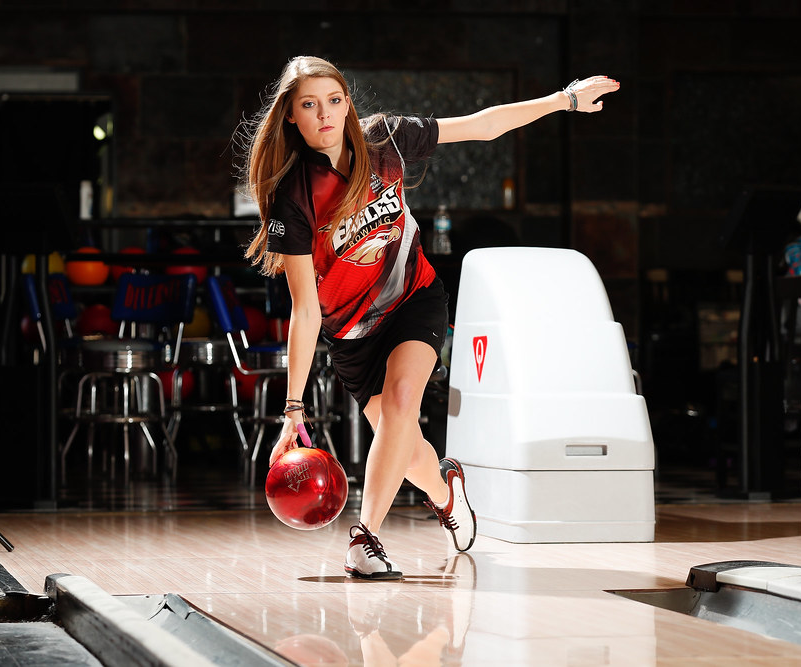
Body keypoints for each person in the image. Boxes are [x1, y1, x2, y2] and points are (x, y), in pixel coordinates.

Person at [236, 55, 619, 579]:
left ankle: (363, 538)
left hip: (415, 299)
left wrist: (562, 100)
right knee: (409, 452)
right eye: (309, 105)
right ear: (292, 119)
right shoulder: (294, 196)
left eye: (332, 100)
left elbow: (483, 127)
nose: (323, 114)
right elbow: (305, 310)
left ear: (346, 103)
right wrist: (293, 408)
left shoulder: (384, 141)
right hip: (351, 333)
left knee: (401, 404)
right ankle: (447, 491)